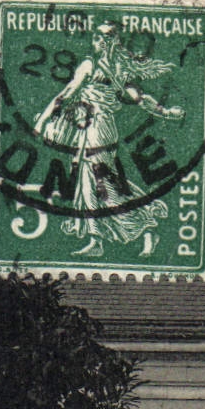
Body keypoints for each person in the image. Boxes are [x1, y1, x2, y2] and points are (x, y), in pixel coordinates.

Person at [32, 22, 183, 257]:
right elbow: (140, 98)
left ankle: (145, 226)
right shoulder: (119, 68)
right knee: (88, 183)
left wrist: (42, 122)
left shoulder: (90, 65)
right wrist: (166, 112)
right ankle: (97, 240)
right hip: (96, 129)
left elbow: (66, 94)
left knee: (103, 184)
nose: (94, 41)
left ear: (106, 41)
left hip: (96, 129)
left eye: (97, 37)